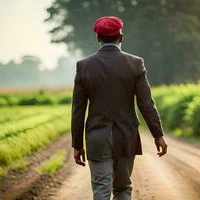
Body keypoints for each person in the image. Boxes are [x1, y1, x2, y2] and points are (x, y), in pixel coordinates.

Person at [71, 16, 167, 200]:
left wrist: (77, 145)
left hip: (97, 139)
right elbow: (146, 103)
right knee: (123, 189)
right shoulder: (135, 64)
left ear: (98, 38)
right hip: (126, 137)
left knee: (101, 191)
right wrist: (158, 135)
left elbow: (78, 110)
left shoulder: (83, 66)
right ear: (121, 37)